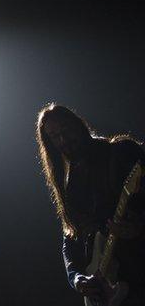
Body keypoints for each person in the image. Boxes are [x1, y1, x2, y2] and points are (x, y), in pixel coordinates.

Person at [37, 103, 145, 304]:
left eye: (65, 130)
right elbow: (70, 239)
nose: (63, 140)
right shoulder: (71, 185)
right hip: (112, 290)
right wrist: (76, 278)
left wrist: (140, 227)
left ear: (78, 124)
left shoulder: (122, 153)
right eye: (55, 136)